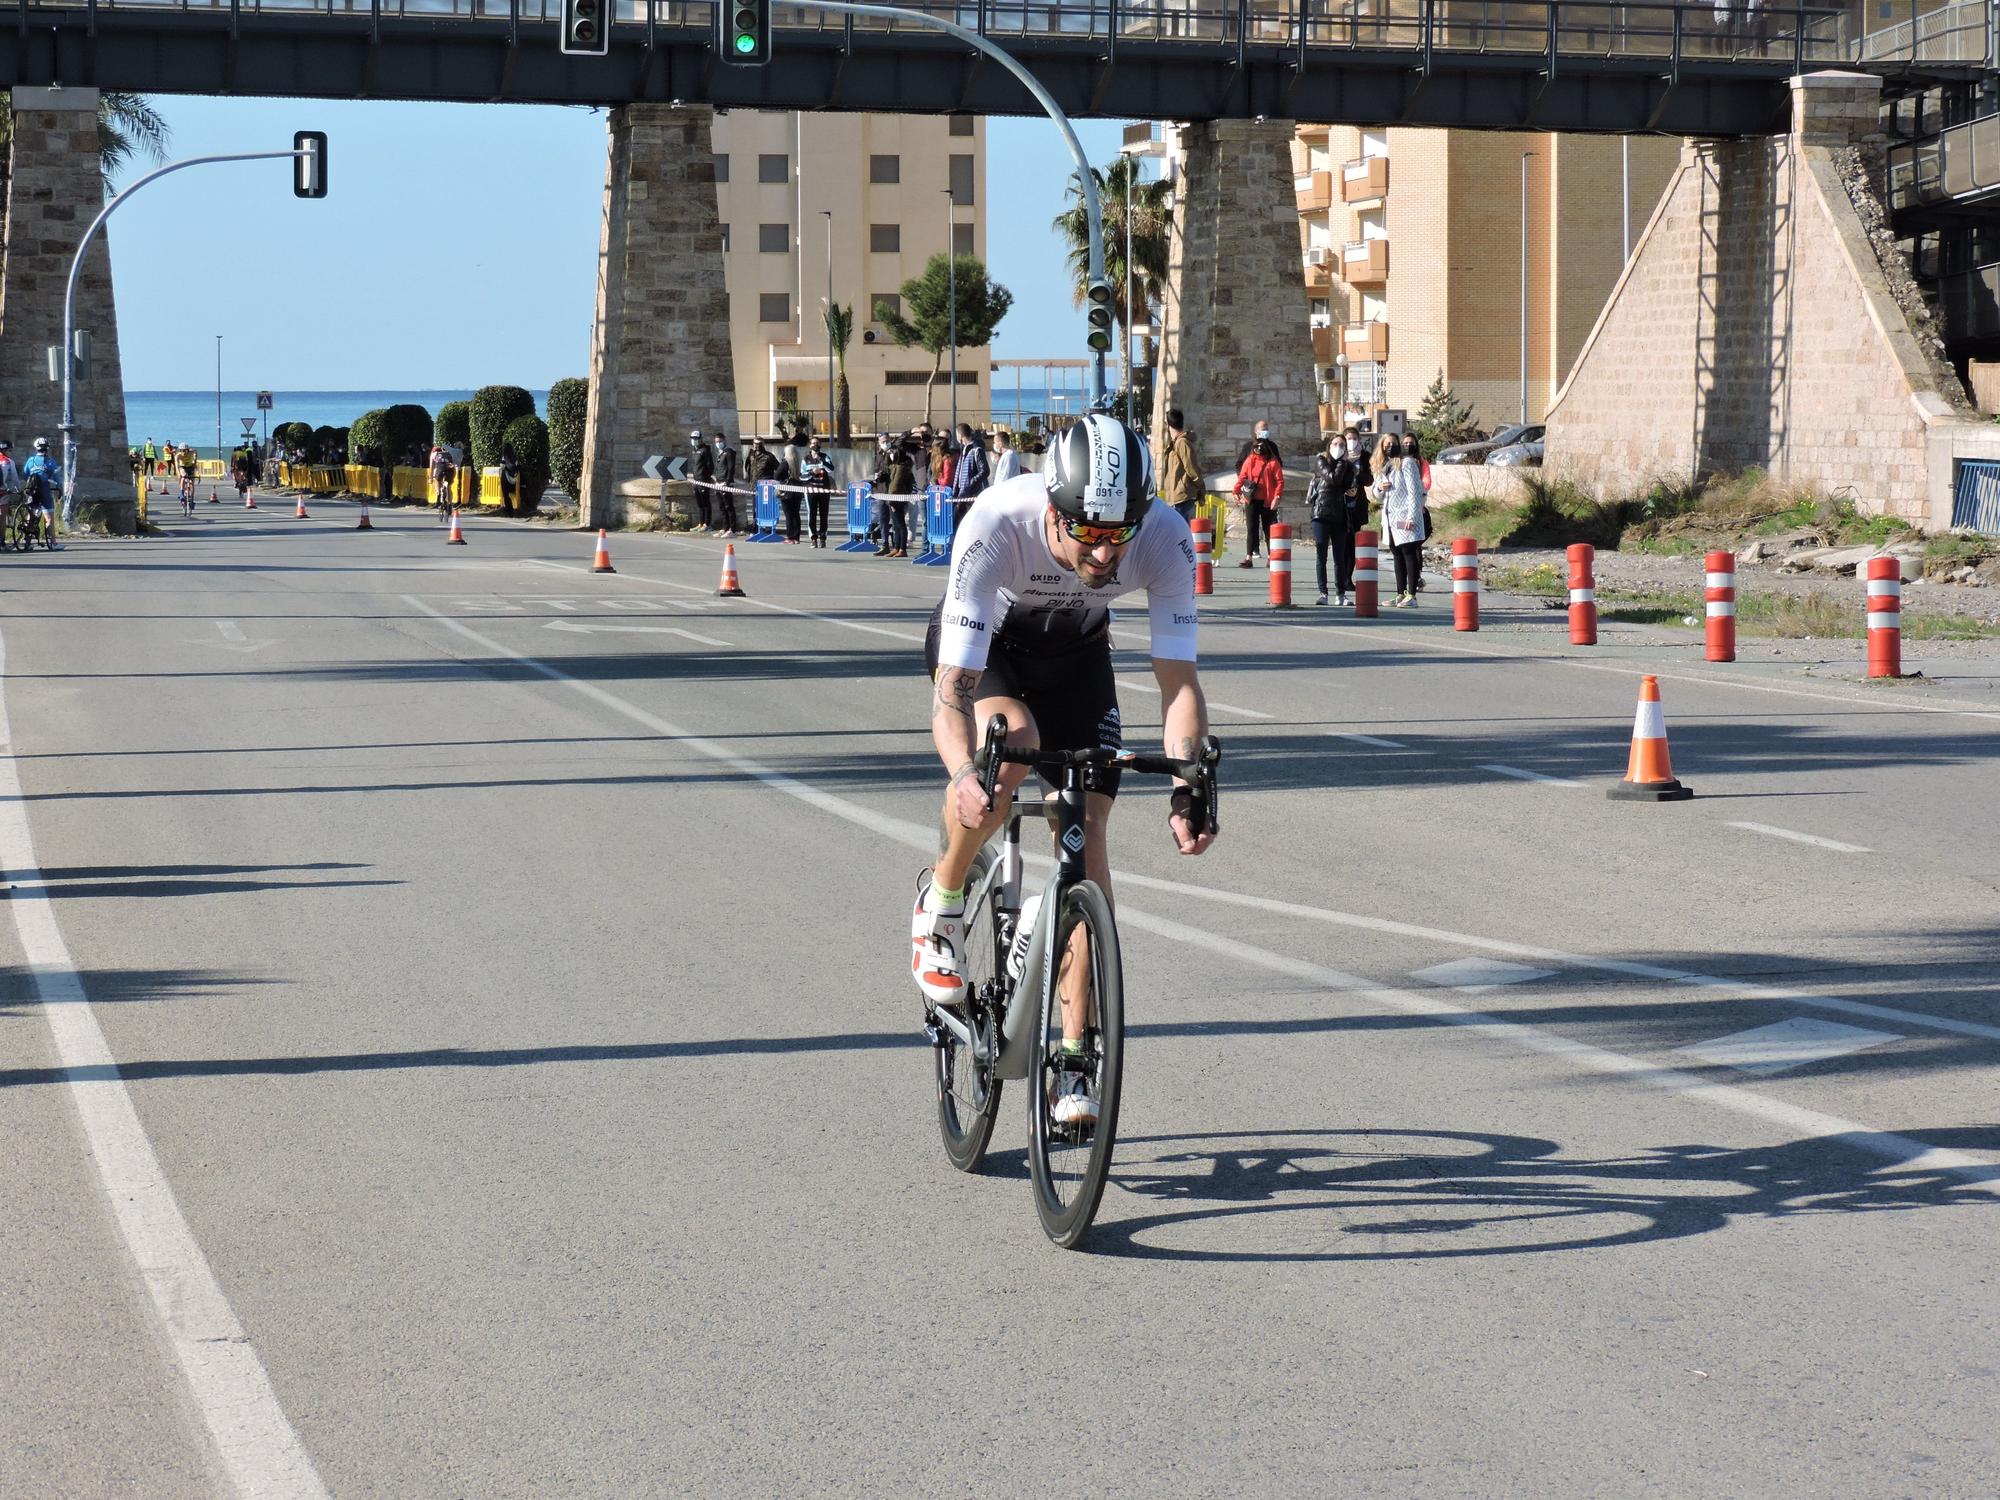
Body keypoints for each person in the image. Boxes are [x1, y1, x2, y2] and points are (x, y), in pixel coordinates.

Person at [913, 414, 1216, 1125]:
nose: (1106, 556)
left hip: (1078, 660)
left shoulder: (1166, 537)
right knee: (1010, 742)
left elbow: (1179, 685)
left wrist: (1186, 782)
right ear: (1054, 508)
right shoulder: (997, 522)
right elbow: (951, 691)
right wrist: (963, 774)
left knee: (1090, 827)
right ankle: (945, 901)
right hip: (994, 651)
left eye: (1121, 536)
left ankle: (1075, 1058)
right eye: (1088, 534)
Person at [1376, 433, 1425, 606]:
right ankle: (1400, 592)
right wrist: (1380, 488)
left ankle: (1412, 595)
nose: (1391, 447)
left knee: (1408, 553)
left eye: (1394, 443)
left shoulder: (1407, 463)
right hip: (1389, 518)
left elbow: (1415, 492)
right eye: (1387, 444)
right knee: (1397, 554)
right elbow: (1377, 494)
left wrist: (1412, 516)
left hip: (1405, 516)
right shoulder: (1384, 467)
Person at [1232, 431, 1284, 567]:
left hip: (1267, 499)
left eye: (1261, 447)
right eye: (1257, 446)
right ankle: (1249, 557)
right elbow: (1243, 476)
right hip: (1252, 498)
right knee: (1251, 528)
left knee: (1268, 529)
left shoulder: (1272, 462)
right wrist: (1236, 490)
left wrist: (1277, 496)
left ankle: (1270, 556)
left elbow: (1279, 481)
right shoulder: (1250, 460)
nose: (1259, 449)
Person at [1157, 407, 1204, 524]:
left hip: (1181, 497)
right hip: (1177, 496)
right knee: (1180, 532)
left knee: (1177, 532)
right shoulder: (1177, 442)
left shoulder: (1182, 442)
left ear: (1169, 425)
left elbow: (1191, 467)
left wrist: (1201, 487)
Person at [950, 422, 989, 534]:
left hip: (972, 495)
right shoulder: (964, 450)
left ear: (960, 435)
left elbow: (985, 471)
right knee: (957, 526)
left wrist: (970, 482)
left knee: (968, 527)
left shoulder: (976, 450)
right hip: (962, 494)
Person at [22, 438, 62, 547]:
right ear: (47, 448)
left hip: (32, 490)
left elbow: (25, 474)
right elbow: (57, 477)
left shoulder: (30, 460)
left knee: (31, 514)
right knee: (48, 517)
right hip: (44, 489)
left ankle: (27, 541)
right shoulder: (50, 461)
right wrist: (59, 487)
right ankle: (53, 542)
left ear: (36, 448)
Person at [881, 434, 916, 557]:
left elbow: (895, 486)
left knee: (900, 524)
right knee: (895, 524)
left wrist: (892, 501)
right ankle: (896, 547)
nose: (890, 455)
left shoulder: (901, 468)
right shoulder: (894, 466)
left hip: (897, 498)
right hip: (893, 497)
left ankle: (902, 548)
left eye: (892, 454)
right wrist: (886, 455)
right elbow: (887, 466)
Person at [800, 436, 834, 548]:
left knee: (824, 514)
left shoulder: (825, 457)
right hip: (811, 490)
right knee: (812, 514)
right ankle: (813, 538)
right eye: (813, 443)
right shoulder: (806, 459)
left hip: (824, 490)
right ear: (810, 445)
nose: (815, 445)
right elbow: (801, 476)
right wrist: (812, 473)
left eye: (817, 443)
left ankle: (823, 537)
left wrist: (822, 462)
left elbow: (831, 469)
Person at [686, 429, 715, 531]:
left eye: (696, 438)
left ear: (700, 439)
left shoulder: (705, 450)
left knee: (706, 502)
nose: (694, 440)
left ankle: (707, 524)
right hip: (696, 480)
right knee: (700, 503)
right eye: (692, 438)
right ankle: (701, 523)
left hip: (703, 480)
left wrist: (705, 478)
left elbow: (710, 466)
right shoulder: (694, 450)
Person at [713, 432, 740, 536]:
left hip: (725, 483)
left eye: (720, 441)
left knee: (729, 506)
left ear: (724, 440)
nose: (718, 443)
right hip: (718, 482)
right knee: (722, 506)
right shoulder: (720, 452)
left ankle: (732, 530)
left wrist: (727, 482)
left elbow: (731, 468)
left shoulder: (729, 452)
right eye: (716, 442)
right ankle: (725, 528)